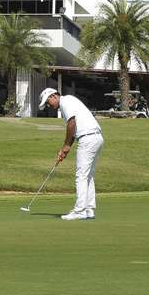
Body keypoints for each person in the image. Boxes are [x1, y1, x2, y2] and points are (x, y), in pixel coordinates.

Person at [40, 88, 104, 220]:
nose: (48, 106)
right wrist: (65, 150)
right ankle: (88, 209)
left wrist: (66, 146)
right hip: (96, 138)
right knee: (87, 176)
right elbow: (74, 129)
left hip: (88, 138)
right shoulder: (68, 103)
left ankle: (79, 210)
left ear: (53, 96)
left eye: (48, 102)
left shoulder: (66, 101)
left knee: (81, 175)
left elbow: (71, 124)